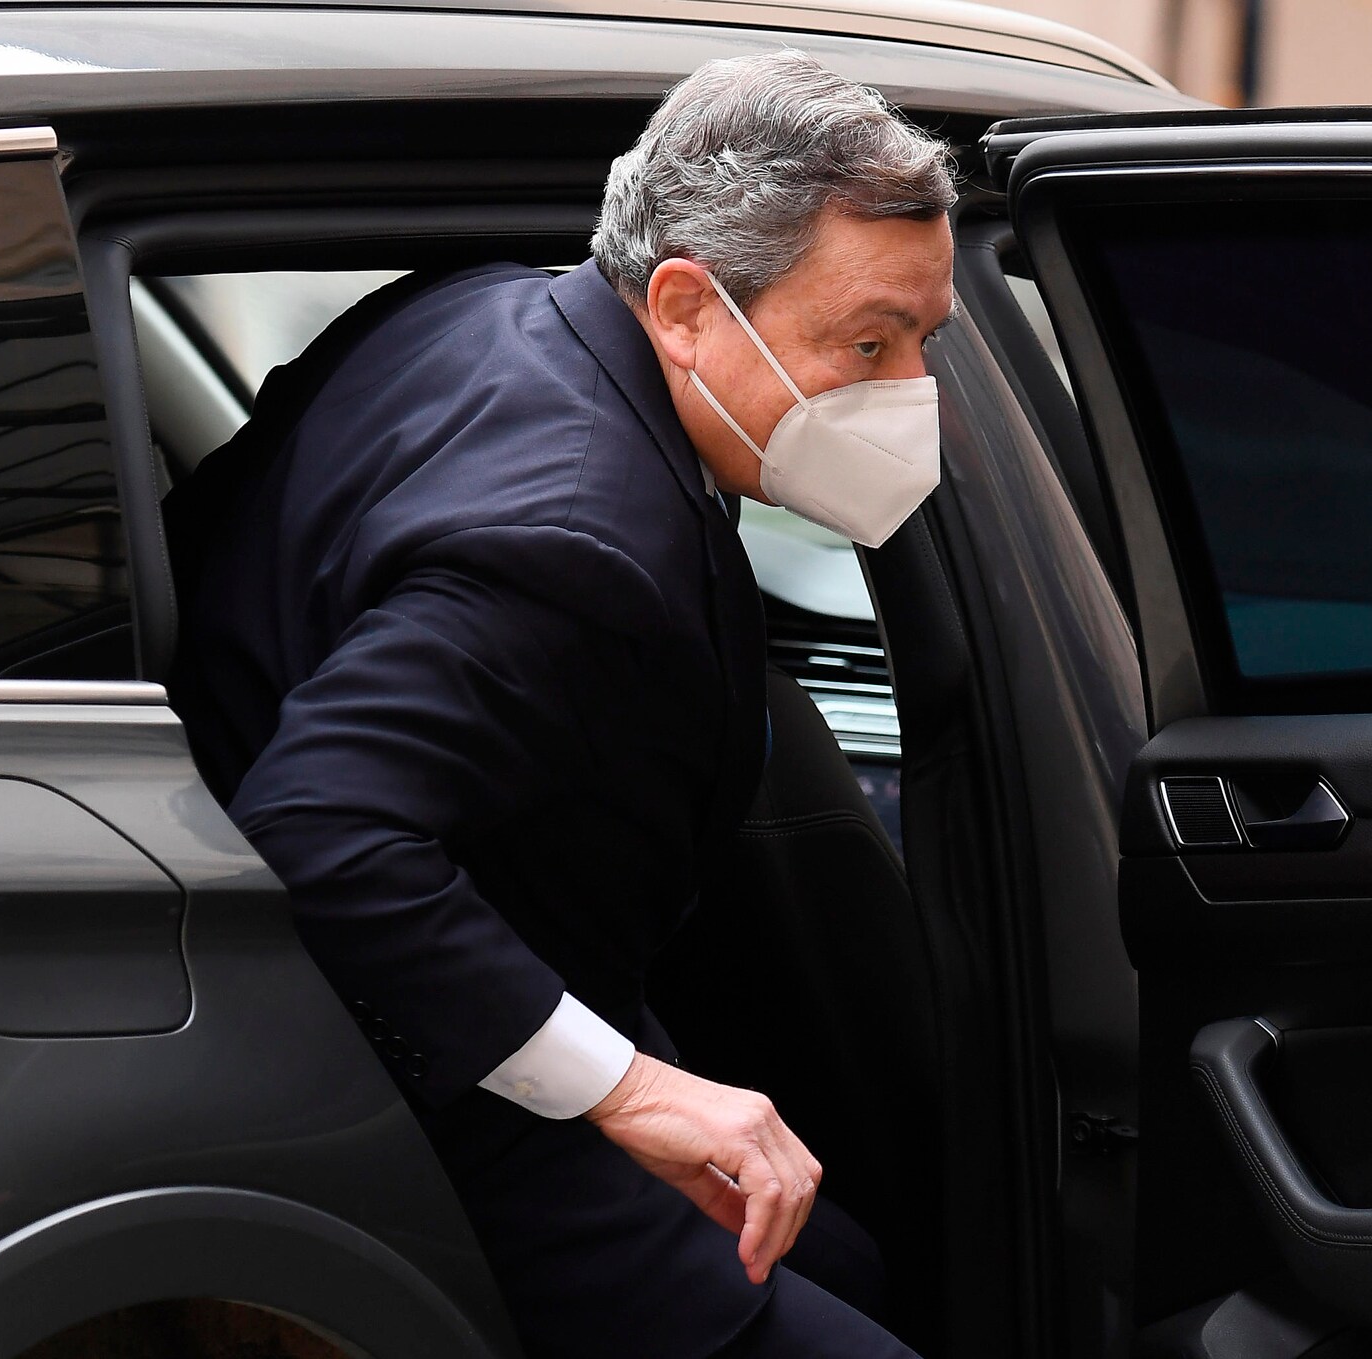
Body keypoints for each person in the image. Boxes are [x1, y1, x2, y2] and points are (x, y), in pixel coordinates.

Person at [162, 50, 954, 1359]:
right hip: (424, 1097)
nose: (913, 394)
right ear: (686, 307)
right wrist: (630, 1092)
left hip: (453, 1015)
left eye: (924, 341)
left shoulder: (472, 310)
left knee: (856, 1263)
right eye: (868, 343)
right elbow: (319, 828)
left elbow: (216, 530)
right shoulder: (578, 541)